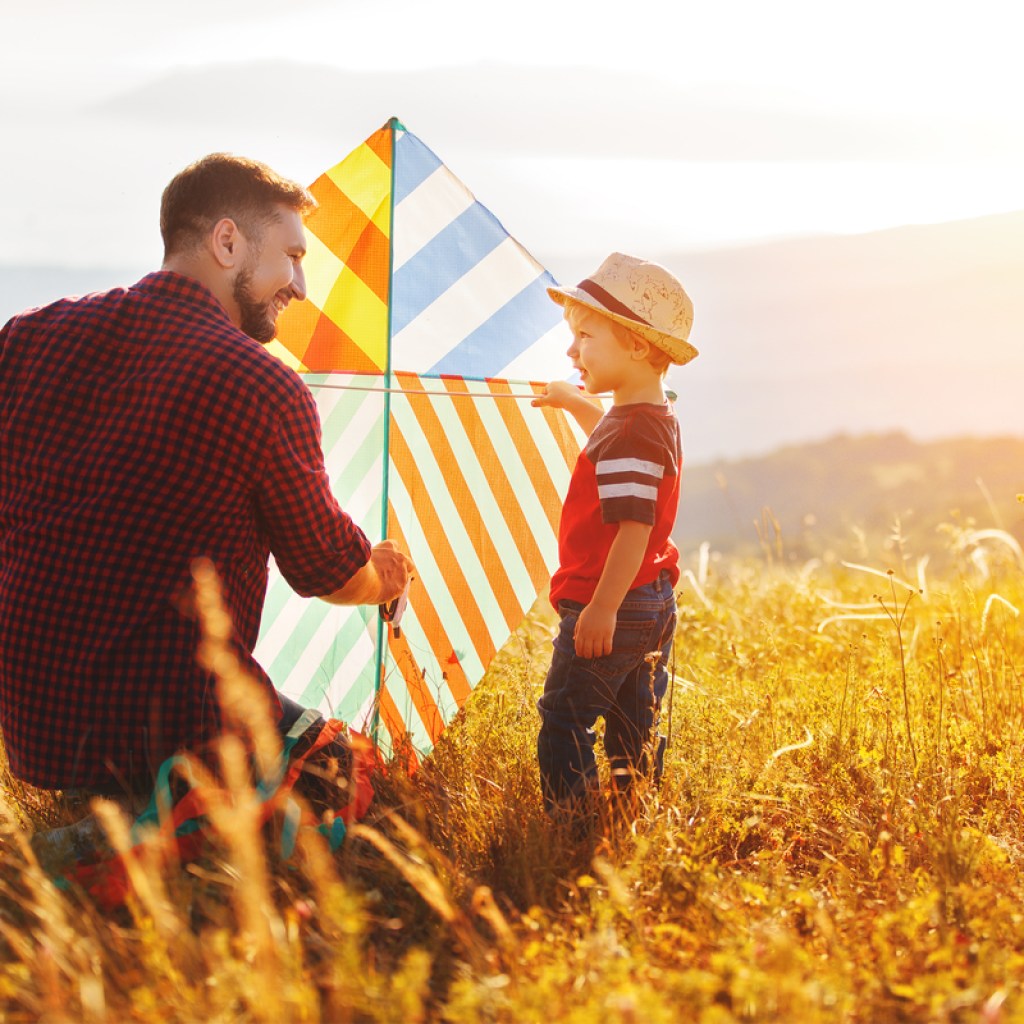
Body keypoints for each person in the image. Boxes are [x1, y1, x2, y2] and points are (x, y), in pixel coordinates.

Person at [0, 154, 413, 821]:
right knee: (355, 777)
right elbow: (325, 571)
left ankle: (122, 838)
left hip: (33, 723)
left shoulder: (25, 338)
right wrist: (383, 579)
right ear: (227, 242)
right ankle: (107, 850)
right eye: (291, 255)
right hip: (166, 731)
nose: (300, 286)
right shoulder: (260, 383)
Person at [531, 251, 697, 823]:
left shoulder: (632, 433)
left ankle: (573, 825)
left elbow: (634, 527)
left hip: (613, 598)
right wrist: (576, 401)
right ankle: (631, 804)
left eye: (584, 337)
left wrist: (600, 608)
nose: (572, 351)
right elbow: (611, 439)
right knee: (631, 715)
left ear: (637, 346)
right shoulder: (648, 416)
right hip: (650, 595)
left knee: (564, 717)